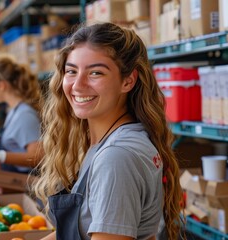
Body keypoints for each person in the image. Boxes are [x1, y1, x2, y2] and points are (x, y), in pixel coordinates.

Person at [32, 22, 183, 240]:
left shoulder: (117, 156)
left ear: (128, 81)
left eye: (95, 73)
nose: (77, 85)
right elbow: (83, 229)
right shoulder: (106, 142)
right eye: (71, 71)